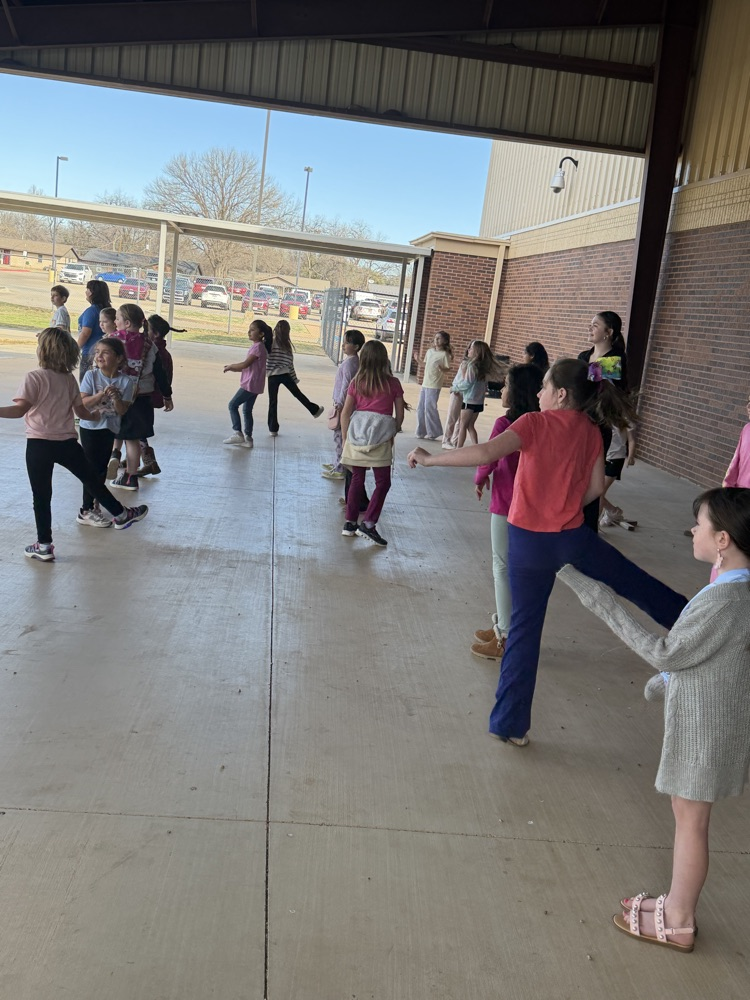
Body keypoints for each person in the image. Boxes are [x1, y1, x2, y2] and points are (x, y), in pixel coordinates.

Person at [408, 358, 687, 746]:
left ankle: (510, 726)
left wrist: (430, 458)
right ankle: (696, 622)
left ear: (560, 394)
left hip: (527, 544)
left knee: (524, 631)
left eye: (544, 386)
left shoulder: (533, 424)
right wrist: (566, 505)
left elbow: (486, 453)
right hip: (573, 537)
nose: (538, 393)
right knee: (634, 582)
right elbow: (594, 490)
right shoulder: (592, 431)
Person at [558, 487, 750, 953]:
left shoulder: (727, 599)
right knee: (687, 815)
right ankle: (676, 901)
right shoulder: (729, 589)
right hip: (708, 721)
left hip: (707, 728)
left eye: (699, 525)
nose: (693, 531)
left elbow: (665, 651)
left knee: (691, 820)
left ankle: (680, 918)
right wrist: (668, 681)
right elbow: (707, 657)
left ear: (722, 539)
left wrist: (596, 596)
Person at [0, 328, 148, 560]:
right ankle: (120, 514)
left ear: (44, 351)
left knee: (41, 496)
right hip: (67, 442)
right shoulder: (68, 379)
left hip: (39, 444)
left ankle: (44, 545)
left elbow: (20, 410)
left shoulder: (34, 377)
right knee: (92, 480)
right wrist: (97, 416)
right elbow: (81, 411)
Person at [472, 364, 543, 661]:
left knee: (501, 567)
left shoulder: (506, 423)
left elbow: (488, 454)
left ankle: (505, 635)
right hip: (532, 505)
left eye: (505, 386)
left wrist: (479, 478)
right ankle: (504, 622)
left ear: (516, 392)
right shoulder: (540, 423)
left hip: (506, 503)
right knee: (517, 568)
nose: (501, 391)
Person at [340, 339, 405, 546]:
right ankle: (368, 524)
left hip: (357, 436)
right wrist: (392, 431)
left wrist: (345, 438)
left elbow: (346, 413)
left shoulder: (356, 383)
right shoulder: (393, 383)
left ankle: (349, 523)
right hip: (381, 439)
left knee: (357, 479)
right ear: (384, 358)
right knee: (383, 482)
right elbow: (400, 414)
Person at [109, 304, 173, 491]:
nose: (115, 322)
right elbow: (159, 372)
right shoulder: (149, 344)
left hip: (117, 396)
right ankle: (131, 476)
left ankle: (113, 454)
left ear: (127, 323)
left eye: (118, 319)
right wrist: (167, 395)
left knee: (115, 431)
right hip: (142, 398)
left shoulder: (112, 341)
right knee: (134, 439)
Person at [578, 311, 632, 530]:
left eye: (595, 325)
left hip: (605, 429)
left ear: (609, 332)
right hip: (582, 424)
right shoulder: (584, 356)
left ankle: (588, 529)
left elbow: (588, 380)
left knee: (594, 485)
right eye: (590, 324)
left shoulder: (617, 359)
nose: (590, 328)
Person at [78, 337, 136, 527]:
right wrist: (101, 395)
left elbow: (122, 410)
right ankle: (86, 510)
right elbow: (83, 403)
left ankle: (94, 505)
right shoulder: (91, 376)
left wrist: (116, 398)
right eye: (97, 352)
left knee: (101, 468)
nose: (99, 356)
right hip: (90, 428)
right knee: (90, 468)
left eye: (105, 352)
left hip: (109, 428)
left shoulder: (126, 382)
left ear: (119, 358)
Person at [136, 314, 183, 476]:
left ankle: (149, 461)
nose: (143, 333)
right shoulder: (163, 352)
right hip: (153, 394)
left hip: (147, 395)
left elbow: (162, 377)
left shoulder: (152, 351)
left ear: (155, 334)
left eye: (146, 330)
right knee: (136, 427)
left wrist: (165, 395)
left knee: (136, 429)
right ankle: (132, 456)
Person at [322, 328, 365, 483]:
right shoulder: (351, 361)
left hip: (344, 405)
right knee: (339, 435)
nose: (343, 345)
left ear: (356, 346)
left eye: (347, 343)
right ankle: (337, 462)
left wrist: (340, 402)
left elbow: (347, 385)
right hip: (344, 403)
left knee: (340, 436)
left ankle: (341, 467)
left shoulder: (351, 363)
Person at [266, 319, 324, 435]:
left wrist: (265, 371)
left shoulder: (269, 343)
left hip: (272, 376)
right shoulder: (287, 346)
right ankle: (314, 410)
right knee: (298, 394)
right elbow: (290, 363)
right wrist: (294, 378)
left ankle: (273, 429)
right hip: (286, 374)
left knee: (273, 401)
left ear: (276, 330)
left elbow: (265, 359)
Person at [222, 319, 271, 448]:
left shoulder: (258, 347)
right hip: (255, 384)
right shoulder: (259, 346)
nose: (249, 332)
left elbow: (245, 364)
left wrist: (231, 367)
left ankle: (238, 433)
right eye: (249, 329)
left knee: (233, 405)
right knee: (247, 410)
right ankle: (248, 438)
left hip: (250, 384)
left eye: (253, 330)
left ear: (261, 334)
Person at [453, 341, 499, 448]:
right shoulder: (484, 367)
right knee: (470, 426)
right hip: (479, 401)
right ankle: (476, 446)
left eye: (471, 349)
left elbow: (467, 383)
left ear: (477, 352)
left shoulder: (471, 366)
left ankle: (458, 449)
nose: (468, 350)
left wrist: (454, 388)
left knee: (462, 425)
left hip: (469, 400)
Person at [416, 331, 452, 440]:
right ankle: (421, 431)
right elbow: (424, 364)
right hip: (425, 383)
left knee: (430, 408)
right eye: (435, 338)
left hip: (434, 384)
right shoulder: (430, 352)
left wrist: (442, 368)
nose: (436, 340)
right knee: (420, 408)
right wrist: (417, 359)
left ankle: (434, 432)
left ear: (445, 341)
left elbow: (448, 368)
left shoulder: (444, 354)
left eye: (439, 338)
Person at [77, 279, 111, 380]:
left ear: (92, 293)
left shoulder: (91, 311)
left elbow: (85, 333)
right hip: (104, 352)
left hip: (89, 353)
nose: (86, 292)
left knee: (86, 384)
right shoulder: (106, 309)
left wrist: (76, 348)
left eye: (87, 289)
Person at [723, 391, 750, 489]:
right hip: (741, 494)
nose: (748, 406)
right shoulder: (746, 429)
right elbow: (735, 462)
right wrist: (728, 486)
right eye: (748, 401)